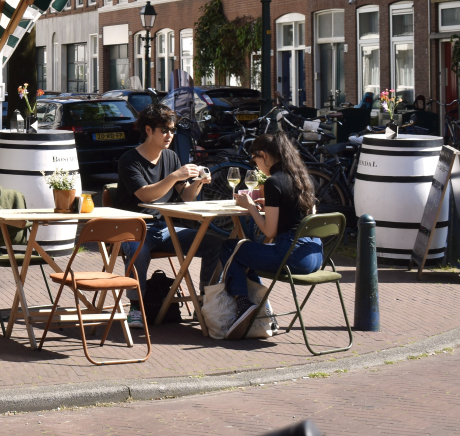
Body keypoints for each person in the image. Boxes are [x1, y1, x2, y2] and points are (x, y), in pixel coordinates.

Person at [114, 103, 223, 329]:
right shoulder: (129, 160)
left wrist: (197, 183)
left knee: (216, 245)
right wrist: (174, 176)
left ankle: (204, 301)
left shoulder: (171, 157)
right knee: (137, 249)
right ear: (148, 130)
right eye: (164, 130)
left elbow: (186, 197)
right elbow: (146, 195)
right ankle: (135, 307)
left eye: (172, 130)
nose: (170, 135)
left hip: (165, 228)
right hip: (132, 228)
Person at [219, 132, 320, 339]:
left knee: (231, 247)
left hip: (290, 256)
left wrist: (250, 207)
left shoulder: (274, 182)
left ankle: (246, 304)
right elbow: (307, 216)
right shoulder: (305, 178)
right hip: (315, 256)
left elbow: (269, 232)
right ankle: (260, 309)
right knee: (244, 252)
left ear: (263, 155)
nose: (255, 165)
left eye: (254, 159)